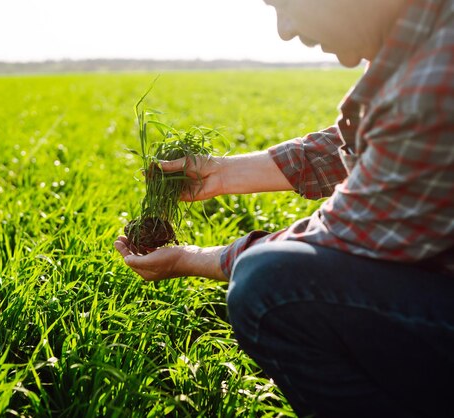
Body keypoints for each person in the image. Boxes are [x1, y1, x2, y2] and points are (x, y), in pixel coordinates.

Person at [114, 0, 454, 416]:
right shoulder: (425, 40)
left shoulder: (437, 76)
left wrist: (189, 258)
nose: (284, 30)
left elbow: (342, 239)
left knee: (271, 286)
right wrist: (221, 174)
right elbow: (377, 137)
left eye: (287, 4)